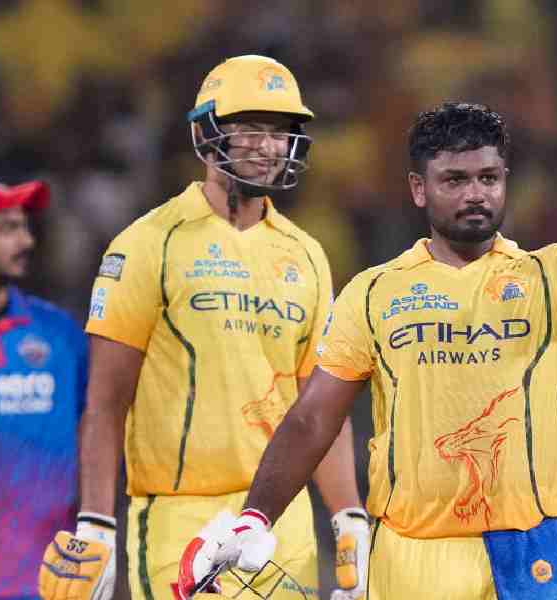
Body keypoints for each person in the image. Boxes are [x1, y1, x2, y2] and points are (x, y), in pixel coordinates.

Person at [177, 102, 557, 600]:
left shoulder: (549, 275)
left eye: (489, 177)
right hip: (410, 555)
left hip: (527, 551)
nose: (476, 193)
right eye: (455, 180)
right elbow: (312, 417)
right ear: (418, 188)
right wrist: (255, 515)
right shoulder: (375, 291)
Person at [38, 55, 370, 600]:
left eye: (281, 131)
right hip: (178, 515)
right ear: (207, 132)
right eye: (251, 128)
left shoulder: (307, 256)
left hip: (278, 522)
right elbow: (105, 403)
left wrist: (347, 515)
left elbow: (320, 407)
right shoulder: (148, 243)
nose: (267, 146)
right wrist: (96, 522)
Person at [0, 178, 88, 599]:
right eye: (7, 228)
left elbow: (97, 438)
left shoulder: (61, 335)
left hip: (50, 583)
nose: (27, 240)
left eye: (25, 227)